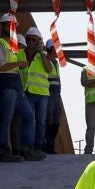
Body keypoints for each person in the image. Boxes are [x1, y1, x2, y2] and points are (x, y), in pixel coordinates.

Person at [0, 18, 29, 163]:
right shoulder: (0, 44)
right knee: (6, 119)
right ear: (3, 26)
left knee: (28, 116)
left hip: (14, 85)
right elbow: (0, 67)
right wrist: (19, 63)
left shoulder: (10, 46)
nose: (13, 29)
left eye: (14, 26)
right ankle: (5, 152)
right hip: (5, 84)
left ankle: (25, 150)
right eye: (10, 26)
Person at [19, 23, 54, 162]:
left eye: (34, 40)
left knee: (40, 122)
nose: (30, 42)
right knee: (29, 120)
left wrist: (41, 52)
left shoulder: (43, 56)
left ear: (39, 41)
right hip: (27, 93)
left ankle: (38, 149)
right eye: (28, 39)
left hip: (42, 94)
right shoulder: (21, 54)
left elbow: (49, 69)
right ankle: (27, 149)